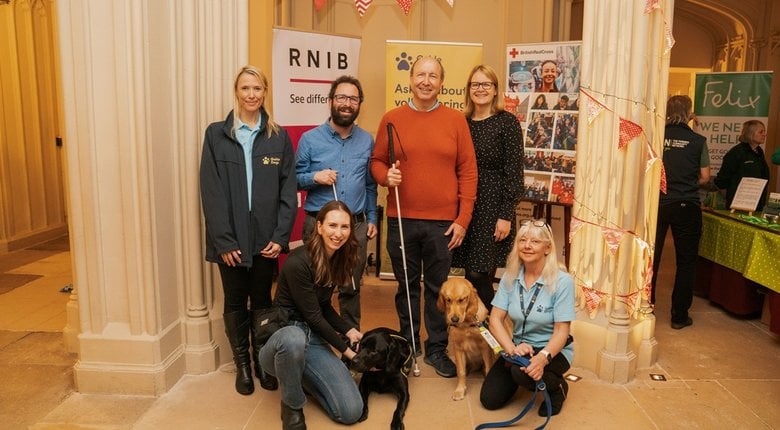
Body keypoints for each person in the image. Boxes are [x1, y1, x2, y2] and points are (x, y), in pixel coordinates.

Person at [370, 56, 478, 378]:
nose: (426, 81)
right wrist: (385, 176)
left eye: (433, 76)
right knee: (406, 287)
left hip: (443, 224)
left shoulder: (456, 121)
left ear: (442, 82)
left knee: (437, 291)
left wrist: (463, 219)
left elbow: (468, 171)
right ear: (411, 79)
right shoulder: (392, 118)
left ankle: (435, 349)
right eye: (421, 74)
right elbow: (376, 161)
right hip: (402, 218)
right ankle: (409, 344)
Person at [199, 65, 297, 395]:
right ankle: (242, 365)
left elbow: (288, 192)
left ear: (265, 93)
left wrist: (280, 237)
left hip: (266, 241)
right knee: (236, 301)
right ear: (236, 93)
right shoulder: (216, 135)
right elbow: (210, 192)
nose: (251, 94)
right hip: (231, 241)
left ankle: (263, 362)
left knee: (263, 302)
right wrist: (223, 241)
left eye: (257, 88)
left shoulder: (278, 137)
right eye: (245, 88)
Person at [258, 201, 364, 429]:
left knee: (351, 411)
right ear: (319, 227)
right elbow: (314, 317)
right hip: (283, 339)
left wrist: (348, 329)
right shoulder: (299, 261)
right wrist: (348, 352)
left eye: (344, 227)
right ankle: (291, 406)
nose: (338, 233)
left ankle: (298, 378)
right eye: (332, 225)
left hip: (312, 339)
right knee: (294, 338)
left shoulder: (336, 259)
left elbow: (323, 306)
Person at [296, 75, 378, 330]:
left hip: (356, 227)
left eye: (353, 99)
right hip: (319, 227)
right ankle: (310, 342)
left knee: (350, 289)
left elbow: (370, 184)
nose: (347, 103)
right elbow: (294, 181)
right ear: (330, 101)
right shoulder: (310, 139)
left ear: (359, 104)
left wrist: (373, 218)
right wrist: (314, 177)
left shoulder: (367, 140)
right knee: (313, 288)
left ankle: (350, 346)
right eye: (341, 97)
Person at [479, 219, 574, 417]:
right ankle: (525, 373)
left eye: (535, 242)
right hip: (519, 347)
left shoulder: (563, 281)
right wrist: (512, 350)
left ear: (547, 248)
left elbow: (561, 331)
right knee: (490, 400)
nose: (527, 246)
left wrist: (542, 358)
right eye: (522, 240)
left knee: (520, 372)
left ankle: (557, 388)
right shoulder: (509, 276)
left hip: (552, 350)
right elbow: (495, 319)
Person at [452, 64, 524, 312]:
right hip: (463, 206)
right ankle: (479, 335)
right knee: (468, 275)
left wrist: (505, 215)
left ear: (495, 90)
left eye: (486, 84)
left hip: (492, 208)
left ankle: (495, 330)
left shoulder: (507, 123)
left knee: (480, 274)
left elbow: (514, 174)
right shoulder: (460, 122)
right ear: (468, 90)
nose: (480, 89)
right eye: (475, 84)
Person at [650, 95, 710, 330]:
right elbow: (705, 177)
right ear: (689, 113)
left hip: (659, 203)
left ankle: (647, 308)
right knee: (686, 261)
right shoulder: (697, 140)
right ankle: (679, 315)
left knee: (651, 260)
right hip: (687, 203)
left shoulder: (656, 136)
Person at [714, 120, 770, 210]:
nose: (764, 134)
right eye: (760, 132)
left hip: (756, 204)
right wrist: (729, 197)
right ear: (750, 134)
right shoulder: (736, 153)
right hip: (738, 205)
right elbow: (722, 180)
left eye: (764, 131)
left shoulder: (759, 152)